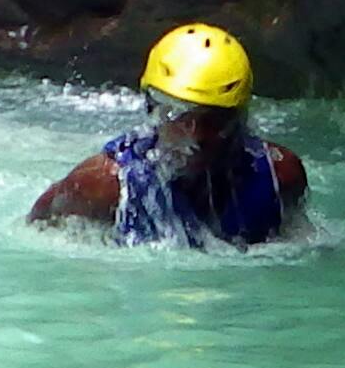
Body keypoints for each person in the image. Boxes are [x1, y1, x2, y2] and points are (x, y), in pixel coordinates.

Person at [27, 22, 307, 243]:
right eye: (178, 115)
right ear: (153, 109)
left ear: (240, 118)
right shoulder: (103, 186)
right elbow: (36, 231)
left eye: (214, 120)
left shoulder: (281, 175)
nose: (195, 135)